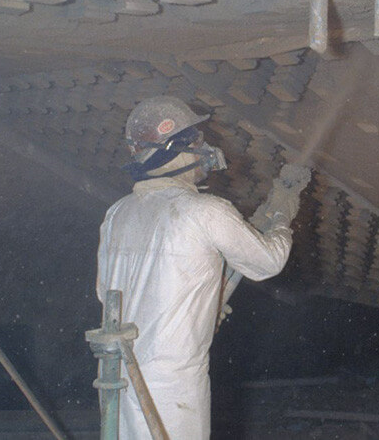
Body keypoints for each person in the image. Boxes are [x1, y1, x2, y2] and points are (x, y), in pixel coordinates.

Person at [96, 95, 310, 439]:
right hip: (173, 385)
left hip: (120, 376)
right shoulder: (204, 210)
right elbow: (268, 261)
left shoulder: (118, 214)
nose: (205, 148)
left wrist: (203, 307)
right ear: (174, 150)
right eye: (196, 141)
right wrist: (283, 210)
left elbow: (109, 294)